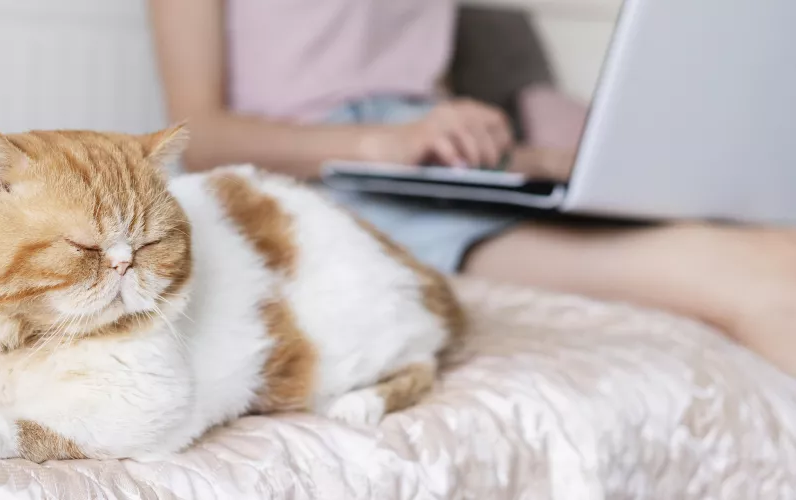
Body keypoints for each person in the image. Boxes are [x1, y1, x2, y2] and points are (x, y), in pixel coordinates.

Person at [146, 0, 796, 377]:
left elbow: (419, 91)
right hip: (319, 179)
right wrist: (380, 146)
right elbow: (198, 132)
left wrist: (515, 153)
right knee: (765, 275)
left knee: (776, 242)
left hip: (438, 160)